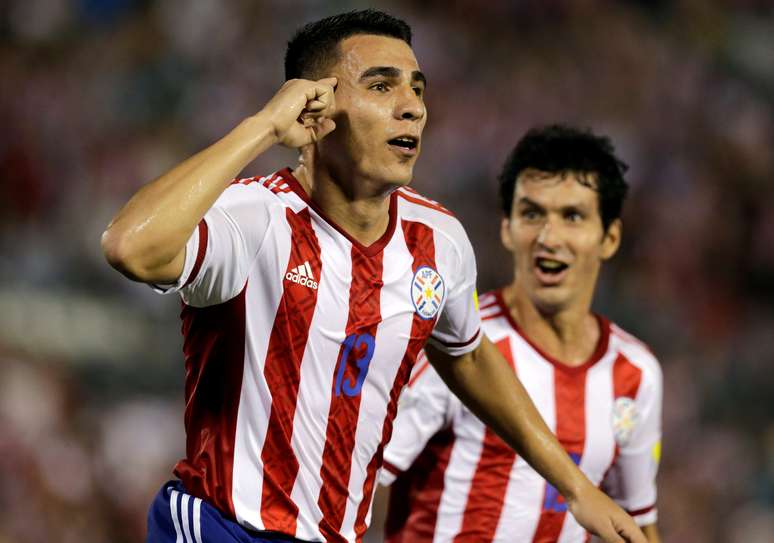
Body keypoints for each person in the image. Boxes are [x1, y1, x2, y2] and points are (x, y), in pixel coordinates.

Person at [101, 9, 646, 543]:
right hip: (222, 526)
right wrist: (263, 126)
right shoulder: (255, 220)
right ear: (313, 106)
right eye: (382, 87)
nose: (412, 108)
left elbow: (469, 356)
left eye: (417, 89)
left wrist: (575, 487)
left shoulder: (438, 241)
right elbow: (130, 248)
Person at [377, 125, 663, 542]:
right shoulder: (456, 347)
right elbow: (358, 477)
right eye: (532, 214)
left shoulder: (635, 374)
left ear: (610, 237)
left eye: (572, 216)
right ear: (507, 228)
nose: (549, 237)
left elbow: (637, 520)